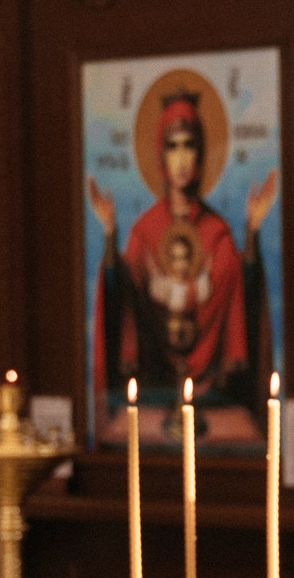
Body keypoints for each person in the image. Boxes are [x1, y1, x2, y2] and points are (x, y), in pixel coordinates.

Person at [90, 87, 275, 426]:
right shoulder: (144, 232)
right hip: (154, 386)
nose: (182, 158)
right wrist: (109, 237)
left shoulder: (216, 232)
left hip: (213, 394)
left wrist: (251, 231)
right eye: (172, 146)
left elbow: (240, 293)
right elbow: (122, 301)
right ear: (160, 156)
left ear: (201, 155)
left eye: (190, 146)